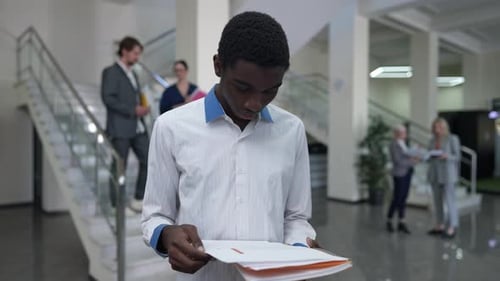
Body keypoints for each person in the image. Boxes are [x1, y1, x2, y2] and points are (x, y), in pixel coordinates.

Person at [141, 11, 318, 281]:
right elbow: (154, 215)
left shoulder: (291, 130)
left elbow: (296, 217)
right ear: (218, 66)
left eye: (270, 90)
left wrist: (299, 248)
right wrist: (166, 236)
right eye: (243, 87)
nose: (255, 103)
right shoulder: (171, 127)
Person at [101, 36, 150, 213]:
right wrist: (133, 109)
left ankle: (138, 198)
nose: (137, 57)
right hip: (120, 128)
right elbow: (108, 99)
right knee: (119, 168)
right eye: (135, 53)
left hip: (138, 127)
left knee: (149, 159)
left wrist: (142, 109)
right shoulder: (111, 72)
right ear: (125, 51)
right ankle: (117, 206)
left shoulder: (133, 74)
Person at [427, 117, 461, 239]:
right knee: (437, 202)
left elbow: (457, 156)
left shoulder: (452, 138)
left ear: (445, 127)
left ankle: (453, 226)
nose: (437, 129)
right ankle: (439, 225)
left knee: (450, 201)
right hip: (434, 175)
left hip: (448, 175)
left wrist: (447, 156)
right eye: (435, 127)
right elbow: (429, 156)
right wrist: (426, 155)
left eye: (440, 127)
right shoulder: (432, 140)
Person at [386, 125, 418, 234]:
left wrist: (414, 155)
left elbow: (406, 156)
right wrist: (413, 161)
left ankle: (401, 221)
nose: (404, 134)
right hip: (399, 174)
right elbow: (398, 161)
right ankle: (389, 220)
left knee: (404, 197)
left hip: (408, 172)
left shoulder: (404, 143)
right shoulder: (393, 144)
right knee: (397, 198)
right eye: (401, 132)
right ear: (396, 133)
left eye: (404, 132)